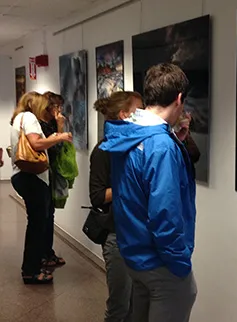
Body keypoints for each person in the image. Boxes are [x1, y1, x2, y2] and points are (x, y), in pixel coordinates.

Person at [100, 63, 197, 322]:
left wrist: (175, 139)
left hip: (134, 255)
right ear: (179, 99)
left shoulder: (129, 135)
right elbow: (165, 213)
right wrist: (180, 265)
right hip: (161, 263)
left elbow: (133, 193)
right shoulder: (160, 146)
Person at [89, 91, 143, 322]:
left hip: (138, 235)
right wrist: (129, 183)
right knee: (120, 306)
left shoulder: (137, 147)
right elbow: (98, 196)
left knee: (135, 306)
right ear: (124, 115)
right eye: (139, 111)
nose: (144, 115)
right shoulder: (103, 151)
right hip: (117, 236)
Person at [10, 92, 72, 284]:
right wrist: (59, 137)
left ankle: (33, 265)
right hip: (33, 177)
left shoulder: (18, 117)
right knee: (37, 226)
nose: (45, 108)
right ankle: (31, 270)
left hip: (25, 177)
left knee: (37, 224)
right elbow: (36, 143)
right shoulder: (28, 117)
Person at [39, 91, 67, 268]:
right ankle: (43, 255)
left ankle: (47, 253)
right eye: (57, 106)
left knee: (49, 216)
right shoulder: (42, 126)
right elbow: (55, 149)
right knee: (44, 217)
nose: (59, 110)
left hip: (49, 174)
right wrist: (60, 128)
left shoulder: (47, 123)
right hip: (42, 174)